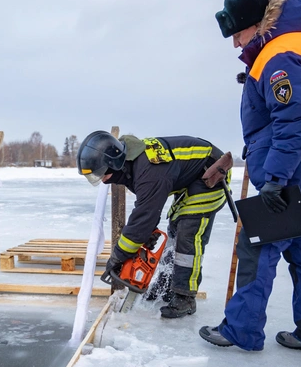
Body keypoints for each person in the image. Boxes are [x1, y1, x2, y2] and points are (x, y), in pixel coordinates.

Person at [200, 0, 301, 355]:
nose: (236, 43)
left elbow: (295, 119)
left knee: (257, 249)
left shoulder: (279, 56)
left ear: (257, 23)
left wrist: (275, 177)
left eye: (238, 33)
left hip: (293, 176)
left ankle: (242, 330)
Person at [77, 131, 233, 318]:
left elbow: (144, 216)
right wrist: (147, 231)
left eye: (102, 173)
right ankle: (167, 286)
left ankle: (185, 297)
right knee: (174, 231)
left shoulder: (148, 171)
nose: (102, 179)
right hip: (189, 178)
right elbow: (147, 205)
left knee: (187, 236)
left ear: (113, 162)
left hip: (212, 175)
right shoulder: (130, 163)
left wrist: (118, 256)